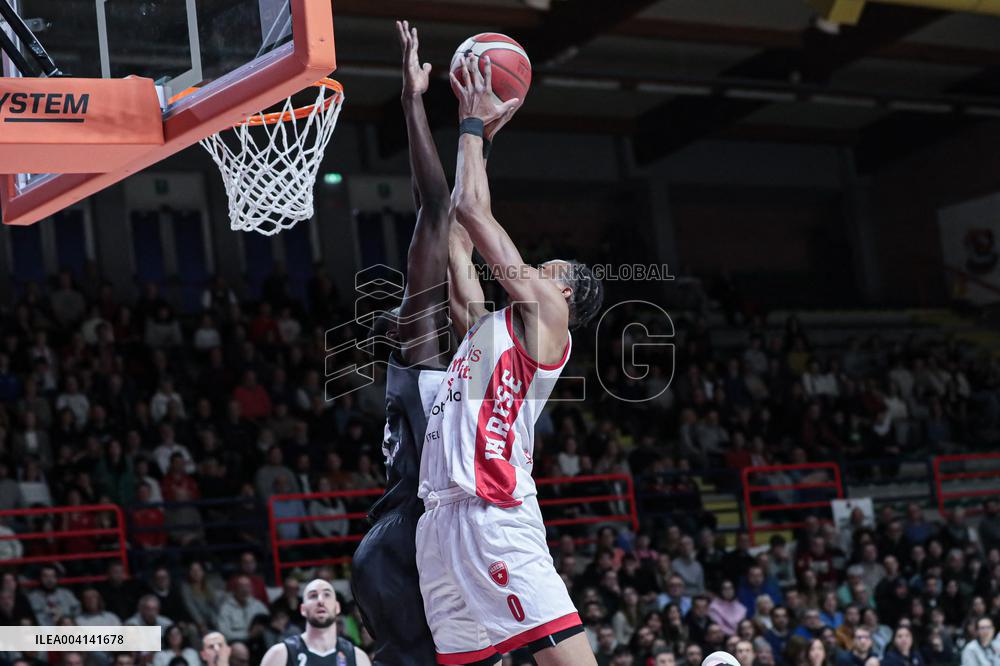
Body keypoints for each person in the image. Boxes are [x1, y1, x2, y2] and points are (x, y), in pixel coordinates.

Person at [415, 53, 603, 666]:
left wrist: (473, 124)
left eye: (556, 268)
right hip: (440, 520)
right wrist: (483, 138)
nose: (543, 264)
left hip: (493, 512)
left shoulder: (548, 318)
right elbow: (456, 240)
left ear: (566, 292)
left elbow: (475, 212)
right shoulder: (487, 327)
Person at [349, 20, 459, 666]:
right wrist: (415, 103)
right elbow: (437, 207)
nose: (417, 302)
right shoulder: (417, 357)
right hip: (403, 552)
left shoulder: (434, 365)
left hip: (399, 549)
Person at [260, 579, 370, 666]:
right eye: (313, 596)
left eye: (327, 595)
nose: (320, 601)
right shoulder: (280, 654)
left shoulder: (357, 657)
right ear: (303, 609)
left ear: (337, 607)